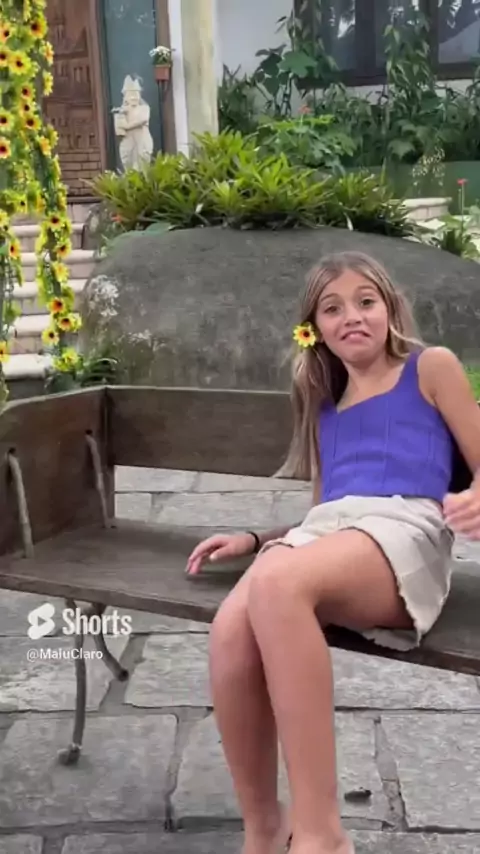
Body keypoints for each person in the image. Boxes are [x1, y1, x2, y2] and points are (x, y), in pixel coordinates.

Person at [186, 251, 480, 854]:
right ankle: (264, 831)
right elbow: (323, 513)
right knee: (230, 628)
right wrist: (255, 539)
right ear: (314, 329)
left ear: (389, 308)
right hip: (329, 535)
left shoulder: (430, 367)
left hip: (404, 526)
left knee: (277, 583)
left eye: (366, 301)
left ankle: (321, 834)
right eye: (332, 308)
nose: (352, 316)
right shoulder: (325, 403)